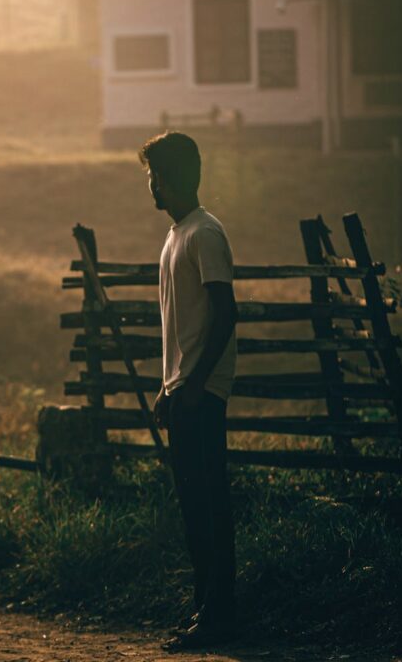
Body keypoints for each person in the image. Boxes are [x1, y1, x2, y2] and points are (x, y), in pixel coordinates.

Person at [138, 131, 238, 652]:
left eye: (154, 175)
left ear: (173, 178)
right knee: (194, 505)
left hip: (203, 392)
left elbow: (225, 314)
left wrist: (196, 384)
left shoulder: (204, 234)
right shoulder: (176, 236)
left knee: (209, 502)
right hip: (183, 391)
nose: (150, 185)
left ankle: (221, 613)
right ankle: (207, 610)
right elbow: (181, 327)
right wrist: (169, 387)